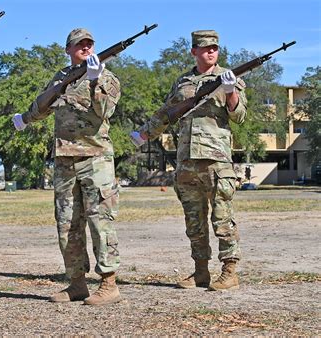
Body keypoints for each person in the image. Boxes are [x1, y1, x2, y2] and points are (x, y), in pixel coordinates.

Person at [131, 30, 247, 291]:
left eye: (214, 48)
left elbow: (239, 116)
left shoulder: (229, 78)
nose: (210, 52)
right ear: (193, 51)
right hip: (186, 161)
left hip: (216, 160)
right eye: (205, 48)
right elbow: (166, 113)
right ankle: (200, 271)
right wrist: (144, 134)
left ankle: (229, 271)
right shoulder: (182, 81)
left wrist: (230, 92)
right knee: (194, 221)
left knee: (222, 218)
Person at [13, 28, 122, 305]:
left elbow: (105, 111)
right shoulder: (61, 78)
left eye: (89, 44)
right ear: (69, 50)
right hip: (64, 160)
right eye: (79, 45)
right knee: (67, 224)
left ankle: (109, 284)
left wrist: (95, 80)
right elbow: (40, 109)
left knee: (100, 221)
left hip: (95, 158)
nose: (86, 49)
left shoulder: (106, 77)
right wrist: (25, 118)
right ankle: (76, 283)